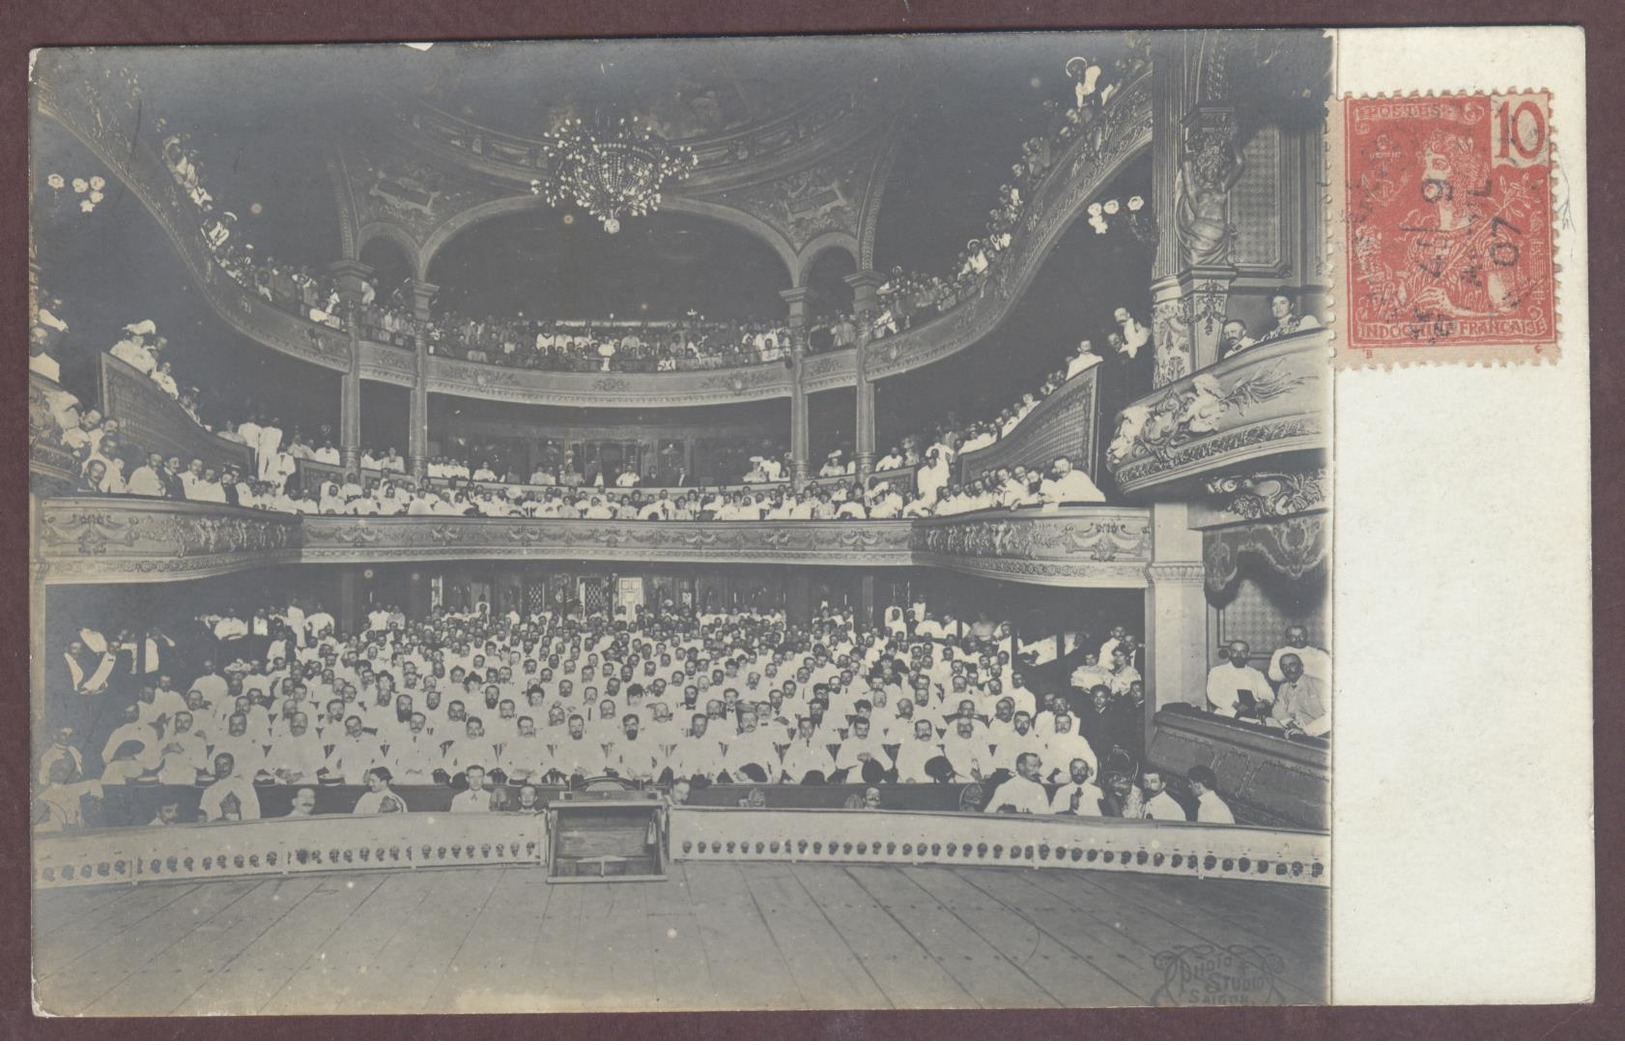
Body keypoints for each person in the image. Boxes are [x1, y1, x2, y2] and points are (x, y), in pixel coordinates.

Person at [1204, 641, 1272, 719]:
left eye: (1243, 652)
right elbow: (1213, 694)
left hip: (1253, 716)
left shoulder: (1256, 674)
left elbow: (1267, 693)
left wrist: (1264, 702)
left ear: (1248, 654)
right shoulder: (1217, 671)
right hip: (1226, 715)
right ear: (1229, 653)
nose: (1238, 655)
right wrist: (1234, 704)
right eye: (1234, 652)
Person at [1269, 653, 1331, 738]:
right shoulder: (1283, 688)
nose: (1288, 669)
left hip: (1320, 735)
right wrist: (1289, 723)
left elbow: (1332, 715)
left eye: (1292, 665)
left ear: (1301, 667)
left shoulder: (1317, 684)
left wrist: (1306, 731)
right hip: (1295, 733)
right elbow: (1277, 710)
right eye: (1284, 667)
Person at [198, 752, 261, 822]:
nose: (221, 768)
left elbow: (254, 813)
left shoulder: (245, 786)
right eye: (218, 765)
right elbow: (203, 818)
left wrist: (238, 810)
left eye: (225, 765)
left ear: (232, 766)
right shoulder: (209, 791)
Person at [984, 751, 1050, 814]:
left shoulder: (1039, 789)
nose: (1037, 770)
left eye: (1038, 766)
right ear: (1021, 766)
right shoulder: (1005, 788)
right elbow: (989, 813)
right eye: (1033, 766)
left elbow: (1046, 815)